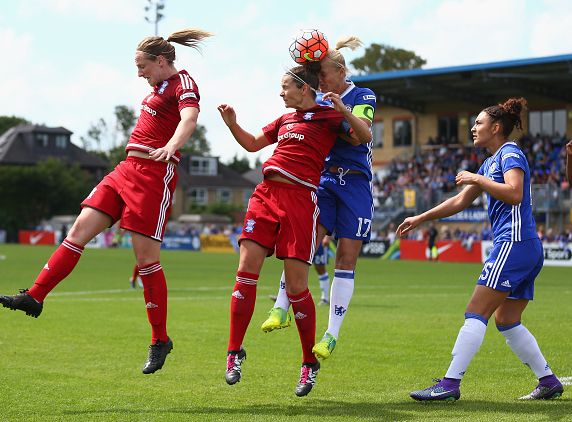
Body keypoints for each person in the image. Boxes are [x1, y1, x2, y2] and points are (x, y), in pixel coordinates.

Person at [0, 28, 214, 375]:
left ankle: (160, 340)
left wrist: (173, 145)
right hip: (126, 169)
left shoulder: (183, 83)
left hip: (154, 177)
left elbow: (189, 119)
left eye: (142, 66)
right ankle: (35, 296)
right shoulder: (157, 87)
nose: (139, 73)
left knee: (145, 261)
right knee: (79, 230)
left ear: (161, 62)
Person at [217, 61, 371, 397]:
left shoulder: (329, 116)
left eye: (285, 86)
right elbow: (253, 143)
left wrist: (343, 106)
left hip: (302, 201)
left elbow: (364, 136)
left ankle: (308, 363)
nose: (280, 92)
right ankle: (234, 352)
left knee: (299, 286)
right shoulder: (284, 119)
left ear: (304, 88)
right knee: (245, 270)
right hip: (265, 196)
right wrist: (233, 124)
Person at [396, 98, 564, 402]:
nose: (473, 128)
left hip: (513, 244)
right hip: (524, 246)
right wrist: (420, 217)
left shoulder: (510, 153)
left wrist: (477, 178)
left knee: (476, 312)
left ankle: (449, 384)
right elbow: (459, 202)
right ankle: (549, 381)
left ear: (496, 127)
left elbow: (514, 194)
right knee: (507, 320)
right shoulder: (490, 162)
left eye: (478, 123)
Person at [261, 35, 376, 362]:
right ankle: (280, 308)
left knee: (346, 260)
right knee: (305, 243)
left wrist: (339, 113)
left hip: (355, 184)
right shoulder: (317, 98)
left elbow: (359, 135)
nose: (319, 80)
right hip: (323, 180)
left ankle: (331, 335)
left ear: (341, 72)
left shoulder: (363, 95)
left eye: (323, 74)